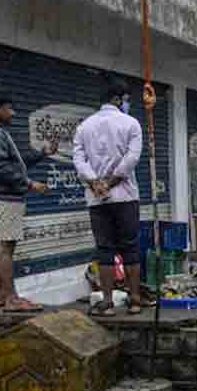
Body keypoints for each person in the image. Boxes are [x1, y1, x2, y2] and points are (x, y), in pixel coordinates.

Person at [0, 93, 54, 312]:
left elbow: (11, 162)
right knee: (6, 247)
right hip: (6, 198)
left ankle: (0, 295)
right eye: (10, 108)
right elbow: (0, 169)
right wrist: (30, 184)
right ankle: (12, 299)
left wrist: (41, 154)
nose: (13, 113)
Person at [73, 77, 148, 316]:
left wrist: (95, 183)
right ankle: (135, 299)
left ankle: (107, 302)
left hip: (97, 199)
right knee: (131, 247)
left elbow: (78, 159)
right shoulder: (131, 124)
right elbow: (132, 158)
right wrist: (111, 182)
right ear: (118, 99)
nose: (128, 104)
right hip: (125, 196)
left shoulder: (84, 126)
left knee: (103, 248)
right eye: (126, 99)